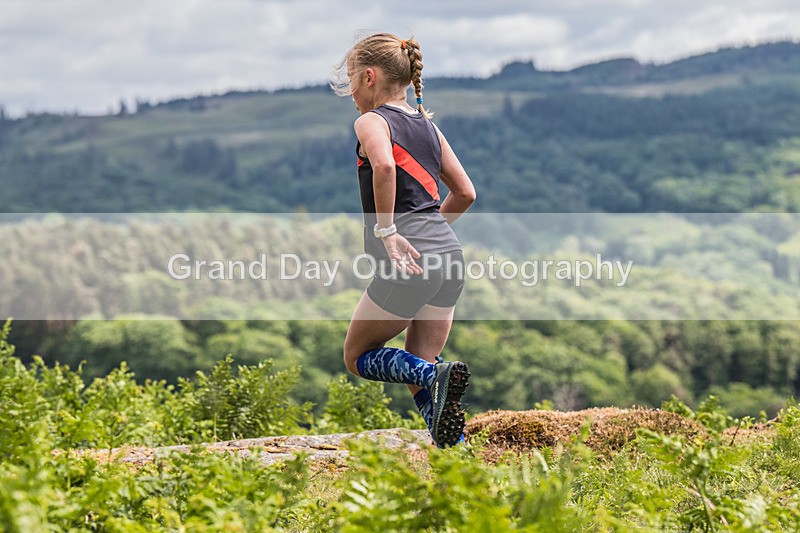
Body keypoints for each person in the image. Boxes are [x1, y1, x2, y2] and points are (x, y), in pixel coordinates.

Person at [332, 33, 477, 447]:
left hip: (408, 261)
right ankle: (458, 458)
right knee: (422, 369)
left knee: (358, 357)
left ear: (370, 77)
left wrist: (389, 232)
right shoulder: (429, 128)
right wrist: (434, 236)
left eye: (352, 81)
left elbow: (383, 167)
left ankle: (436, 375)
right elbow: (466, 193)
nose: (352, 94)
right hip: (449, 257)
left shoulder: (371, 121)